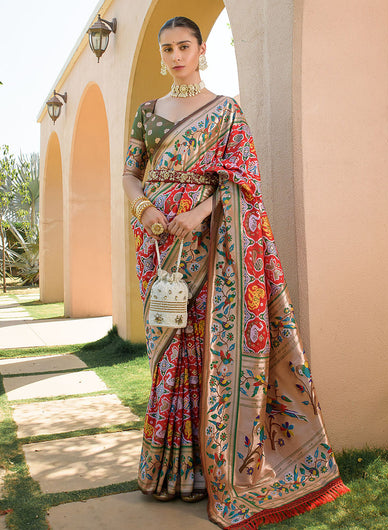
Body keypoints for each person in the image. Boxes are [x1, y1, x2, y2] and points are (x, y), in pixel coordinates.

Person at [122, 16, 350, 529]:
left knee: (209, 348)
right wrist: (147, 212)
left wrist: (196, 214)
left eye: (184, 46)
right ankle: (167, 470)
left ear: (201, 49)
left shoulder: (225, 112)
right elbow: (131, 173)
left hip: (213, 242)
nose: (175, 55)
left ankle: (209, 470)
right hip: (157, 246)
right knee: (169, 352)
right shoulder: (147, 113)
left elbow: (243, 178)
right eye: (167, 48)